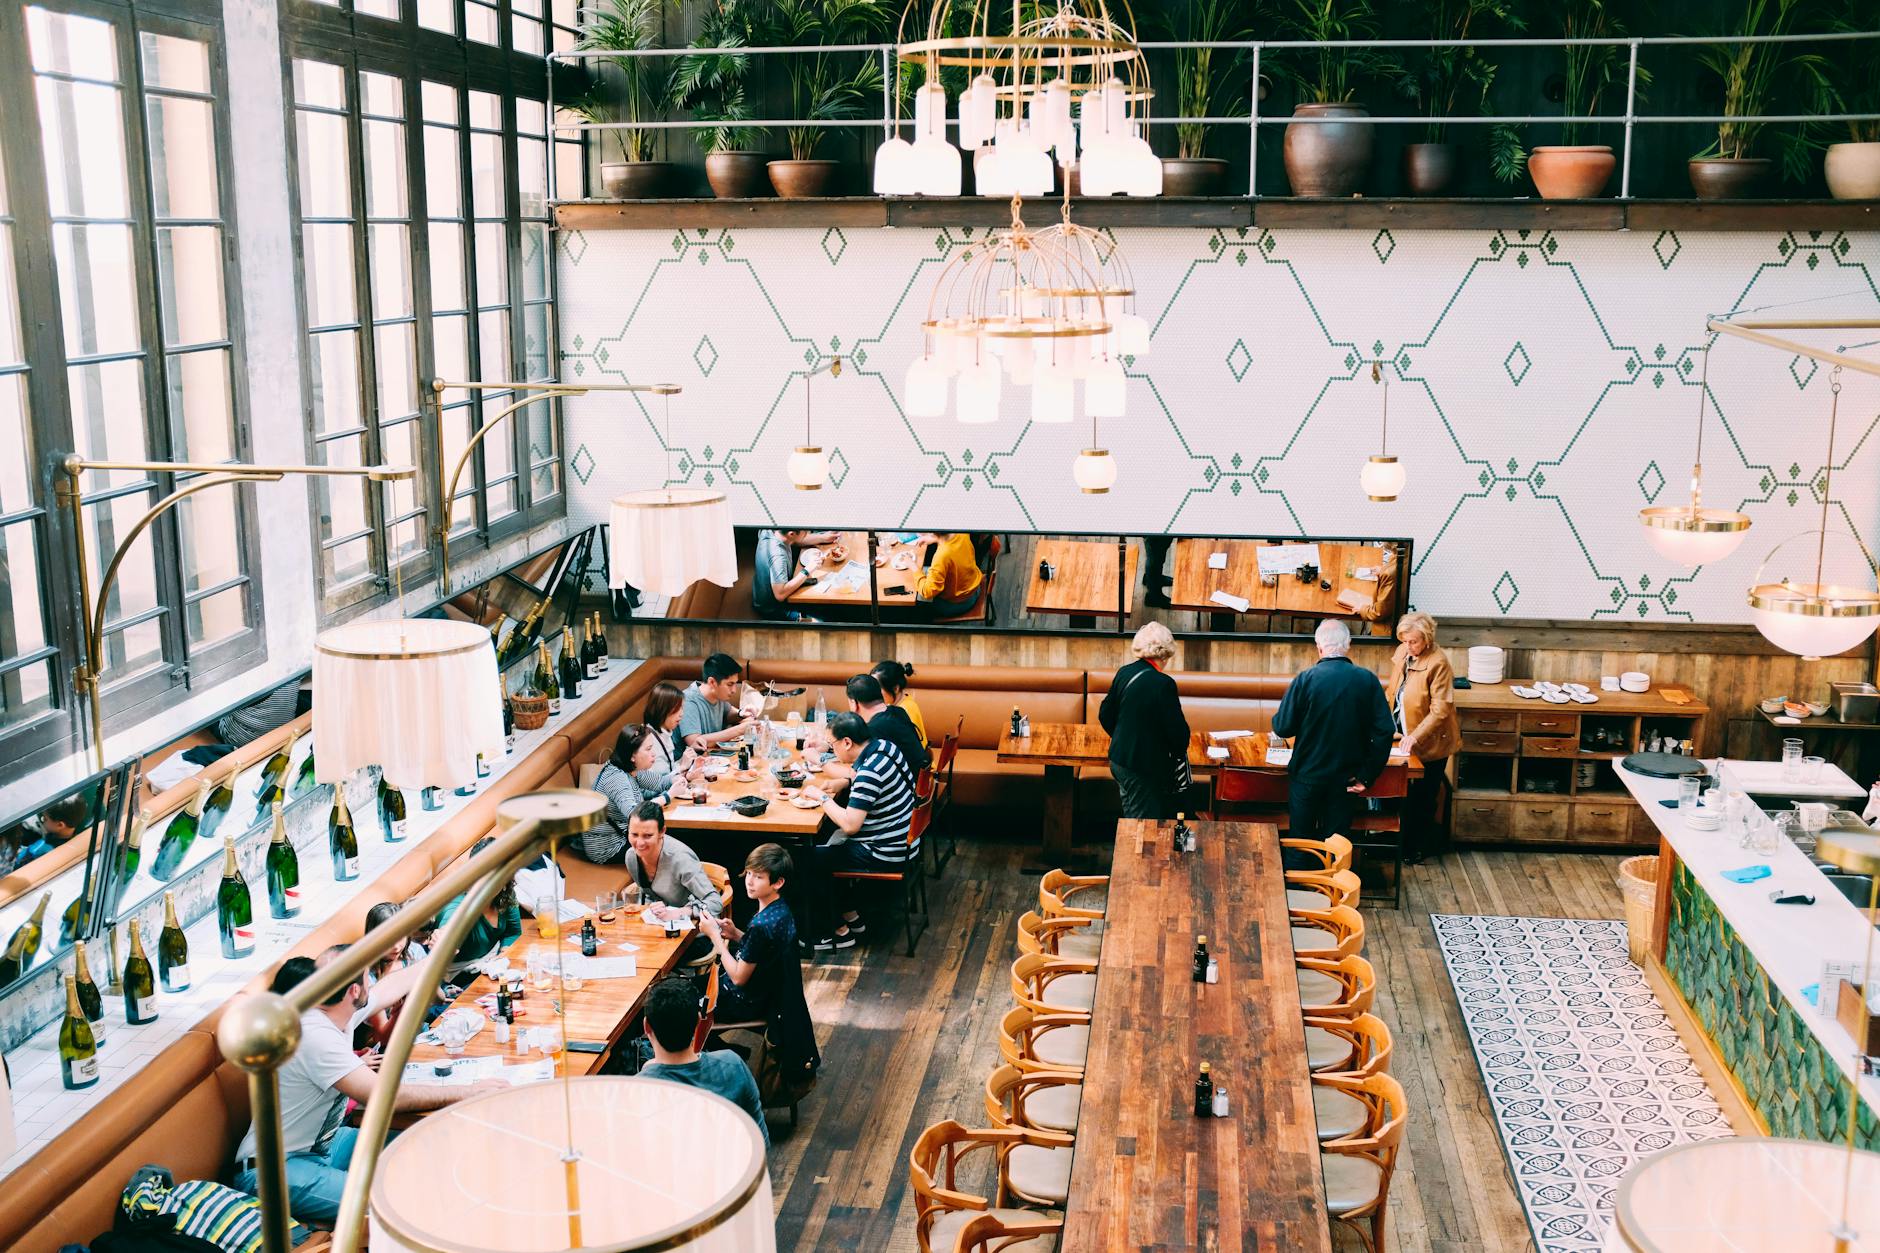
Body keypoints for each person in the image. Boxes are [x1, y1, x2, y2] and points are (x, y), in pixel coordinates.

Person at [230, 949, 502, 1225]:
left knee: (429, 1145)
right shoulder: (314, 1035)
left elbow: (393, 985)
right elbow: (386, 1098)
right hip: (274, 1170)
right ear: (354, 990)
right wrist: (469, 1091)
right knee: (400, 1205)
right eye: (366, 977)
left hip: (324, 1146)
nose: (372, 983)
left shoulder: (337, 1009)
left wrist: (443, 950)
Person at [1271, 619, 1396, 853]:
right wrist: (1367, 775)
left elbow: (1283, 727)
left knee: (1301, 842)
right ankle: (1334, 888)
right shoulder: (1367, 680)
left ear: (1319, 647)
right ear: (1348, 645)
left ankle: (1300, 887)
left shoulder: (1305, 679)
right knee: (1337, 846)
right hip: (1346, 779)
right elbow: (1385, 731)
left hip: (1307, 776)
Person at [798, 712, 918, 951]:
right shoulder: (884, 747)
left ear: (847, 743)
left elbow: (851, 825)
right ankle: (850, 915)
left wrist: (821, 797)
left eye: (832, 745)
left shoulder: (869, 773)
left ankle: (835, 932)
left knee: (806, 858)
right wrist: (844, 783)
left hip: (884, 852)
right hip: (902, 840)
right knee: (824, 844)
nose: (832, 750)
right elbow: (860, 777)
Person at [637, 978, 769, 1148]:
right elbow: (761, 1145)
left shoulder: (637, 1093)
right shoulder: (734, 1065)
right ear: (699, 1021)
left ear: (647, 1027)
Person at [1385, 611, 1459, 863]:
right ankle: (1397, 843)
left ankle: (1416, 846)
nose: (1408, 646)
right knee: (1399, 792)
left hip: (1431, 741)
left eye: (1413, 641)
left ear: (1427, 639)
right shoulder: (1403, 653)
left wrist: (1415, 737)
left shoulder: (1438, 663)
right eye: (1405, 640)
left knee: (1424, 796)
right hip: (1401, 734)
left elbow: (1441, 709)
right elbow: (1392, 692)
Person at [1098, 622, 1192, 820]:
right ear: (1164, 653)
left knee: (1133, 815)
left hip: (1119, 760)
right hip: (1141, 768)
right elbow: (1178, 735)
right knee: (1142, 827)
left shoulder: (1125, 672)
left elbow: (1105, 714)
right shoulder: (1163, 684)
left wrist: (1125, 738)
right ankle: (1135, 852)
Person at [436, 837, 525, 978]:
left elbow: (512, 933)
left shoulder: (505, 893)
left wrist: (503, 953)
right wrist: (442, 935)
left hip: (490, 966)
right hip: (456, 978)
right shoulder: (458, 902)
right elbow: (449, 922)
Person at [624, 801, 723, 920]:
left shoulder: (680, 859)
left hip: (694, 927)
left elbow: (715, 902)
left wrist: (678, 913)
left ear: (662, 832)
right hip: (657, 924)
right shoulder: (631, 858)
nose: (639, 843)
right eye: (634, 834)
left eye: (648, 836)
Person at [580, 724, 659, 863]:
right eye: (648, 749)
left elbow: (661, 782)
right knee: (671, 842)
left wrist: (686, 774)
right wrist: (666, 797)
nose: (653, 754)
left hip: (625, 834)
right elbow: (635, 814)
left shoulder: (632, 768)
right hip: (609, 847)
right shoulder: (616, 777)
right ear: (632, 756)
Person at [845, 672, 929, 772]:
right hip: (920, 781)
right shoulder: (898, 712)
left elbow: (856, 773)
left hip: (906, 786)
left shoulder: (873, 730)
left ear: (854, 703)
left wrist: (823, 762)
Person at [637, 681, 705, 796]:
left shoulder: (666, 733)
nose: (681, 714)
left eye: (682, 708)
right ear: (663, 709)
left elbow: (668, 771)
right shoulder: (647, 741)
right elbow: (646, 791)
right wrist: (682, 766)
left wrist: (687, 771)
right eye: (677, 709)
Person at [751, 529, 836, 620]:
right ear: (791, 534)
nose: (807, 532)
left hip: (765, 590)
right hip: (774, 608)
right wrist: (809, 568)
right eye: (805, 532)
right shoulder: (778, 556)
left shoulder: (771, 530)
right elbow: (780, 595)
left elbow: (796, 540)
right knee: (828, 616)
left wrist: (822, 538)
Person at [678, 654, 753, 752]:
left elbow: (728, 713)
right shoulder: (688, 700)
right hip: (687, 763)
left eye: (735, 683)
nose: (734, 690)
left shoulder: (718, 695)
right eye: (730, 684)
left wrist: (741, 713)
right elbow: (695, 742)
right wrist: (739, 730)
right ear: (712, 682)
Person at [914, 532, 984, 617]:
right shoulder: (961, 532)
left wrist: (913, 567)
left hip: (959, 602)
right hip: (974, 587)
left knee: (916, 600)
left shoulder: (942, 556)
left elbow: (928, 592)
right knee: (926, 572)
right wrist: (935, 538)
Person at [870, 660, 928, 746]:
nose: (874, 693)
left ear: (895, 689)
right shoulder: (904, 702)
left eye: (878, 689)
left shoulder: (905, 710)